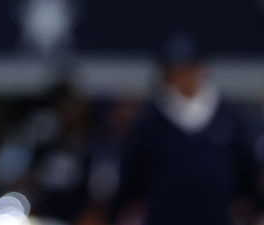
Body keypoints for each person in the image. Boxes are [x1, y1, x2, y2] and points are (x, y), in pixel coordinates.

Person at [107, 33, 262, 225]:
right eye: (175, 72)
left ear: (200, 69)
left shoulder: (226, 117)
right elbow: (131, 177)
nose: (182, 78)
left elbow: (247, 171)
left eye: (187, 69)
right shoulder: (151, 121)